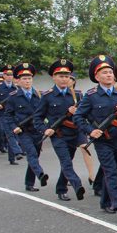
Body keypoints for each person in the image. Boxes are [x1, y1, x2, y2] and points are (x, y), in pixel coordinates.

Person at [74, 55, 117, 217]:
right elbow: (78, 117)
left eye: (110, 72)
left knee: (111, 171)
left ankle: (105, 201)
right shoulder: (91, 96)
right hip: (102, 140)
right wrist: (90, 130)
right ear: (97, 77)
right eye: (104, 72)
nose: (109, 75)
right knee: (111, 170)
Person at [33, 59, 85, 201]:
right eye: (61, 76)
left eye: (67, 76)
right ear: (54, 77)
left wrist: (77, 113)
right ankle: (77, 185)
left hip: (73, 134)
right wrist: (45, 130)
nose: (64, 79)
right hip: (58, 135)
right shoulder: (47, 96)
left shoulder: (77, 95)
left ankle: (61, 188)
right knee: (66, 162)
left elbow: (84, 115)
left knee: (67, 163)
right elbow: (37, 118)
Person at [3, 63, 48, 191]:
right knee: (32, 154)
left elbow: (45, 112)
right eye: (24, 78)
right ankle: (40, 174)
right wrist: (13, 127)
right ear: (18, 81)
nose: (27, 81)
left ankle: (29, 183)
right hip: (23, 131)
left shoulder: (39, 95)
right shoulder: (13, 97)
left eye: (29, 78)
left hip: (37, 131)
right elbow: (8, 116)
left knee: (35, 156)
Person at [0, 65, 25, 165]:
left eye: (11, 74)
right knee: (7, 132)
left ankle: (12, 158)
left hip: (14, 115)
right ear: (3, 75)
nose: (9, 76)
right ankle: (17, 152)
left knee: (13, 134)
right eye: (7, 74)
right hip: (1, 114)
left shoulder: (16, 88)